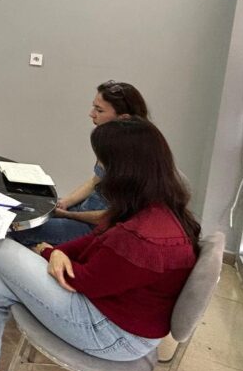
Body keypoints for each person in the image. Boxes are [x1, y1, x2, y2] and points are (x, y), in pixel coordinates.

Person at [0, 117, 199, 371]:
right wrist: (57, 252)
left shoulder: (143, 238)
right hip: (111, 314)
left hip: (113, 334)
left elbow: (82, 281)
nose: (100, 172)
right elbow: (96, 240)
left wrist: (45, 251)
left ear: (124, 171)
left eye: (103, 164)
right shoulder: (154, 207)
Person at [10, 80, 150, 248]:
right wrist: (66, 202)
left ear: (124, 118)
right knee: (23, 209)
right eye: (94, 107)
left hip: (97, 228)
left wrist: (68, 215)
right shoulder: (110, 143)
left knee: (20, 228)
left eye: (99, 110)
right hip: (83, 212)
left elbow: (113, 217)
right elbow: (94, 181)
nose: (92, 114)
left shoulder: (134, 161)